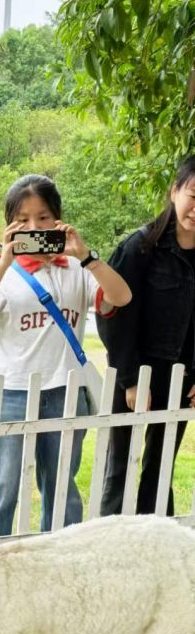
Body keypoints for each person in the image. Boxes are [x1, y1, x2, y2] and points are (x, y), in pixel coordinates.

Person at [0, 174, 131, 539]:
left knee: (61, 488)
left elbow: (121, 296)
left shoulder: (77, 272)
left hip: (64, 394)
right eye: (22, 219)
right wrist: (5, 263)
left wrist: (86, 256)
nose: (33, 227)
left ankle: (60, 560)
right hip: (10, 394)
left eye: (43, 217)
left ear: (59, 220)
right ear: (9, 224)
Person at [99, 157, 195, 516]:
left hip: (182, 378)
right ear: (174, 191)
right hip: (135, 372)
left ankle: (158, 548)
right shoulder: (139, 247)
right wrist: (130, 379)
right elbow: (114, 318)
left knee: (161, 468)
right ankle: (111, 549)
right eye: (192, 195)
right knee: (120, 471)